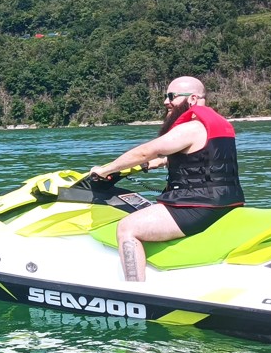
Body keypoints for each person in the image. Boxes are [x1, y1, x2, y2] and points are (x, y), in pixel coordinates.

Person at [88, 76, 244, 282]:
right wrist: (154, 164)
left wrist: (106, 169)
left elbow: (146, 151)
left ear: (193, 99)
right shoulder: (218, 125)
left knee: (127, 228)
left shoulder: (190, 128)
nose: (166, 102)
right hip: (227, 200)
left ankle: (135, 292)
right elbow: (203, 160)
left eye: (171, 96)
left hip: (197, 205)